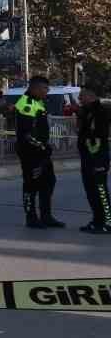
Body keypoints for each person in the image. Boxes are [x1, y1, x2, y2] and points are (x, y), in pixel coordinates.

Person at [13, 75, 62, 229]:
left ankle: (46, 216)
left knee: (48, 182)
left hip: (41, 152)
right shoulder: (27, 104)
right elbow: (26, 134)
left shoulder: (37, 102)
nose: (47, 91)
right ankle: (31, 217)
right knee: (31, 185)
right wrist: (42, 146)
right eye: (45, 88)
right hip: (31, 153)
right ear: (35, 88)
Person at [76, 86, 111, 234]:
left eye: (81, 96)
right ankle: (97, 220)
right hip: (87, 157)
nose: (79, 99)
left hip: (97, 157)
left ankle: (107, 222)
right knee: (90, 191)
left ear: (90, 96)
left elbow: (98, 135)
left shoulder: (100, 111)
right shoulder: (86, 111)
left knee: (100, 191)